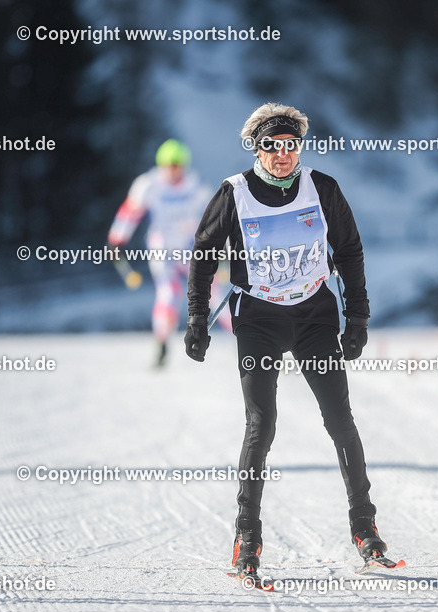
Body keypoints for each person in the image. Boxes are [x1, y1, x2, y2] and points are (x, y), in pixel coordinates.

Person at [184, 102, 392, 579]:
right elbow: (203, 254)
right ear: (257, 148)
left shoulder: (323, 189)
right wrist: (198, 317)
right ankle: (247, 537)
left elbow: (351, 251)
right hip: (258, 319)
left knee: (340, 419)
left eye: (291, 145)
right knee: (263, 424)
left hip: (314, 316)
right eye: (273, 146)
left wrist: (357, 317)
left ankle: (365, 527)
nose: (283, 155)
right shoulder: (234, 193)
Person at [107, 139, 214, 366]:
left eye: (178, 165)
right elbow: (129, 212)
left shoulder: (195, 184)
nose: (174, 170)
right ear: (161, 164)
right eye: (169, 165)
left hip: (188, 248)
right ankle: (162, 344)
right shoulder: (148, 184)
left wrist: (221, 246)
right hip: (162, 249)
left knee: (213, 289)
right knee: (168, 293)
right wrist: (117, 240)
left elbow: (213, 217)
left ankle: (244, 337)